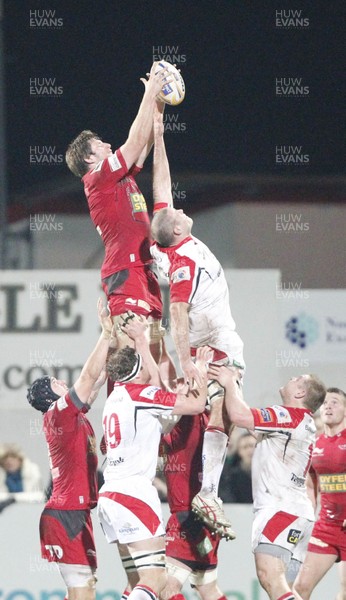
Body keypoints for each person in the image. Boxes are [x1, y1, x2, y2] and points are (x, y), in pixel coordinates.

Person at [150, 107, 244, 537]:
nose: (181, 207)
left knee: (211, 407)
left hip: (211, 333)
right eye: (175, 212)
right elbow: (178, 311)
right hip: (210, 335)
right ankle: (207, 492)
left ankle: (202, 492)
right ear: (174, 229)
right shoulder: (183, 259)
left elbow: (162, 187)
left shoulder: (171, 239)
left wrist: (159, 133)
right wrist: (186, 358)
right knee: (223, 398)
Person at [65, 63, 173, 373]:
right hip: (124, 272)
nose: (108, 145)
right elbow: (133, 143)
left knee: (155, 350)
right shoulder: (97, 178)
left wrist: (159, 102)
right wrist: (150, 90)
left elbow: (145, 141)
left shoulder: (118, 178)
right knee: (129, 354)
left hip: (144, 271)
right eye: (100, 145)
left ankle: (163, 414)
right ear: (89, 158)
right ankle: (122, 415)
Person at [97, 313, 210, 600]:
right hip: (134, 492)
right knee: (156, 579)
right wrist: (202, 369)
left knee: (136, 581)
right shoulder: (141, 395)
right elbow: (197, 405)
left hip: (110, 494)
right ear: (137, 372)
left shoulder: (116, 397)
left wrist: (142, 344)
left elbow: (161, 418)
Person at [207, 365, 326, 600]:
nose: (290, 378)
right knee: (281, 585)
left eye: (296, 379)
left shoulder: (290, 416)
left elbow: (241, 416)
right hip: (292, 510)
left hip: (281, 510)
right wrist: (235, 386)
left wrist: (229, 383)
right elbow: (248, 422)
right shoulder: (297, 422)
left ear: (301, 393)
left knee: (270, 577)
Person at [26, 298, 113, 600]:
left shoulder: (69, 416)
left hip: (73, 511)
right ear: (51, 395)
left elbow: (99, 378)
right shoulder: (58, 413)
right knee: (82, 590)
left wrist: (116, 344)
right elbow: (88, 377)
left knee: (84, 587)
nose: (64, 382)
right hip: (66, 512)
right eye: (56, 382)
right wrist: (106, 332)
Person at [159, 411, 228, 600]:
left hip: (188, 515)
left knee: (166, 588)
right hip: (204, 516)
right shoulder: (205, 421)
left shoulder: (192, 417)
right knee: (208, 589)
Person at [293, 387, 346, 600]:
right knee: (300, 588)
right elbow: (310, 485)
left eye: (335, 402)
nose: (328, 406)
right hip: (327, 527)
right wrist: (307, 518)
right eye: (324, 403)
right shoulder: (314, 444)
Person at [0, 443, 45, 512]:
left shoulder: (32, 472)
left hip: (30, 511)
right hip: (6, 513)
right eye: (5, 459)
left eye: (13, 458)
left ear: (20, 460)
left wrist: (13, 499)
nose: (9, 462)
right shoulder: (2, 476)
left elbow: (38, 497)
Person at [218, 431, 255, 503]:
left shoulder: (270, 473)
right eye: (245, 447)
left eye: (252, 446)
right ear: (239, 451)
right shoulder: (230, 476)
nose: (249, 450)